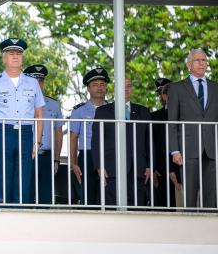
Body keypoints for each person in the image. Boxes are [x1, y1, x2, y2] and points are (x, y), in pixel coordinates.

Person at [0, 38, 45, 204]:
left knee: (24, 180)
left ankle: (22, 222)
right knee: (2, 179)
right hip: (2, 132)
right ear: (4, 57)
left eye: (19, 53)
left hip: (26, 133)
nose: (15, 56)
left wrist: (37, 141)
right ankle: (2, 220)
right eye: (11, 53)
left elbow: (39, 114)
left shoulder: (32, 82)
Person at [168, 49, 218, 208]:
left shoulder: (215, 87)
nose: (202, 63)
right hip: (188, 148)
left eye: (204, 60)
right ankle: (188, 230)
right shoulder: (177, 88)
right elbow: (172, 122)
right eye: (198, 60)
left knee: (211, 195)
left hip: (212, 148)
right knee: (189, 195)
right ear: (189, 64)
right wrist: (174, 150)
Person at [91, 77, 151, 207]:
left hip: (138, 169)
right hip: (111, 169)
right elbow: (96, 141)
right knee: (112, 211)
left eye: (129, 86)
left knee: (137, 211)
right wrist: (99, 166)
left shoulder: (143, 112)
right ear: (115, 89)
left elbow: (149, 141)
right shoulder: (102, 111)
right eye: (122, 86)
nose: (125, 89)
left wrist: (150, 165)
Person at [23, 64, 64, 205]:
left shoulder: (53, 105)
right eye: (34, 80)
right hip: (26, 155)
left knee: (45, 198)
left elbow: (59, 133)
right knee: (25, 195)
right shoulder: (19, 103)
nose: (38, 84)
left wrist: (56, 159)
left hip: (47, 156)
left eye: (40, 80)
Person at [69, 67, 109, 206]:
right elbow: (73, 138)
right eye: (95, 85)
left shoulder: (113, 110)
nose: (99, 88)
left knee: (107, 194)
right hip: (87, 155)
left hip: (108, 154)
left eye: (102, 84)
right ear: (88, 89)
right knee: (88, 195)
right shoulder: (79, 111)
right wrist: (73, 163)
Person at [149, 78, 181, 207]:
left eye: (163, 93)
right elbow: (151, 143)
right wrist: (153, 167)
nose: (161, 96)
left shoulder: (184, 114)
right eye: (159, 93)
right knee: (164, 207)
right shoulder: (154, 116)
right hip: (161, 170)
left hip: (182, 166)